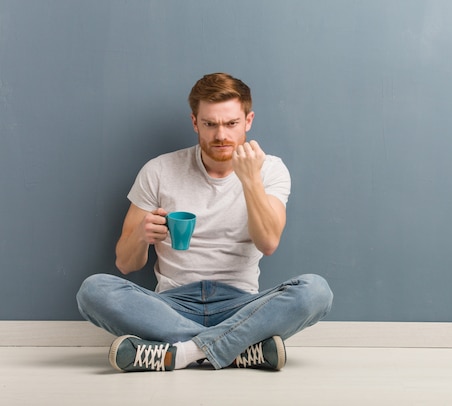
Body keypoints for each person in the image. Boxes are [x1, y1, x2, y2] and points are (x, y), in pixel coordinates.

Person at [76, 72, 333, 372]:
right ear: (195, 122)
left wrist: (249, 179)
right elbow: (125, 263)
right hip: (171, 305)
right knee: (93, 290)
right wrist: (142, 236)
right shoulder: (159, 170)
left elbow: (268, 242)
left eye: (231, 124)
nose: (221, 135)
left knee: (316, 291)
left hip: (242, 306)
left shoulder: (270, 169)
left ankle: (181, 353)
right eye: (210, 124)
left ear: (248, 121)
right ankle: (237, 351)